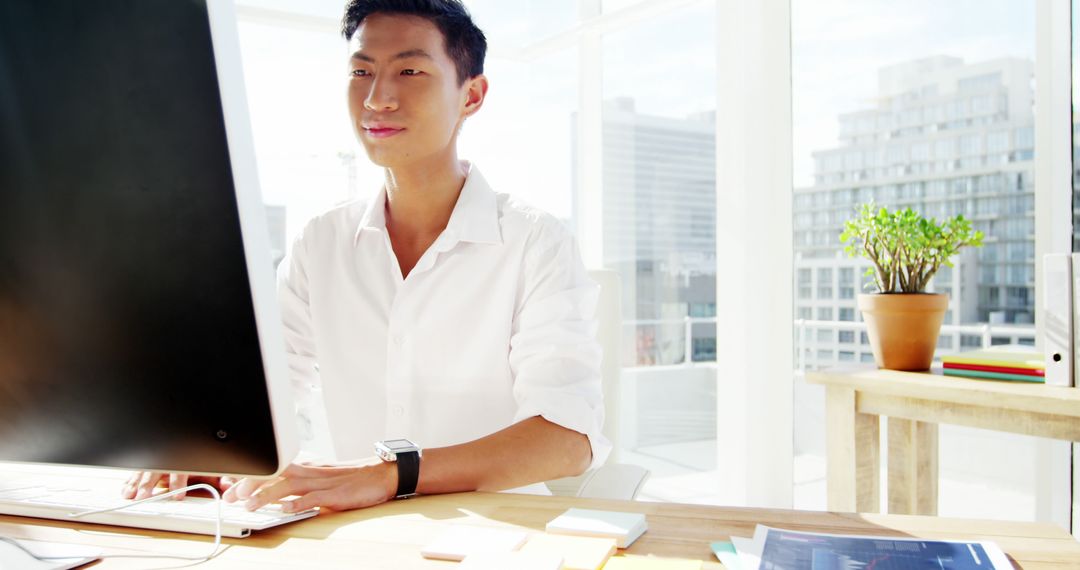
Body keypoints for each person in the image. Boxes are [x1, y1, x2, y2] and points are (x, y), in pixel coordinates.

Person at [122, 0, 608, 513]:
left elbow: (569, 438)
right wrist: (202, 445)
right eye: (361, 72)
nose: (377, 98)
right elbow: (266, 384)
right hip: (352, 527)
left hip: (502, 535)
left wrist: (392, 474)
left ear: (472, 95)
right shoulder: (321, 239)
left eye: (410, 70)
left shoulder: (535, 240)